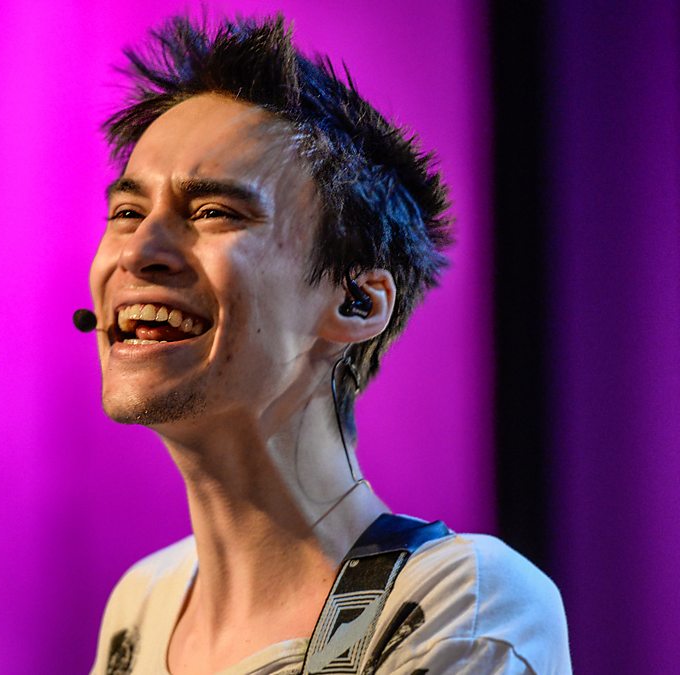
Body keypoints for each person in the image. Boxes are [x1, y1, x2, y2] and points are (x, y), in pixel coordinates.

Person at [85, 13, 570, 675]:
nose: (139, 250)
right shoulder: (142, 606)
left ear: (356, 302)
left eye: (214, 212)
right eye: (127, 212)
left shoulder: (462, 600)